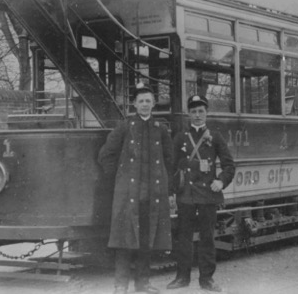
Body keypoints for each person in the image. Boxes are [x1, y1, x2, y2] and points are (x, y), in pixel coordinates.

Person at [98, 83, 174, 294]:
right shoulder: (125, 126)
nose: (144, 105)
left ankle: (143, 284)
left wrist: (168, 188)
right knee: (124, 242)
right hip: (128, 196)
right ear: (134, 104)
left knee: (146, 241)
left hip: (152, 196)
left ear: (154, 104)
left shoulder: (161, 129)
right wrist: (120, 178)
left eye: (148, 101)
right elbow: (106, 155)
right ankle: (120, 286)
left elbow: (170, 159)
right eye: (141, 101)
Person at [167, 95, 236, 292]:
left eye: (201, 111)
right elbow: (171, 167)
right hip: (186, 194)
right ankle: (182, 277)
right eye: (194, 111)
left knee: (207, 237)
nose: (197, 115)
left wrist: (221, 181)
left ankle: (207, 279)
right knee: (184, 237)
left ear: (206, 113)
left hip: (207, 195)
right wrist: (171, 192)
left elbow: (229, 165)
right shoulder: (180, 137)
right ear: (189, 114)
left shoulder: (215, 137)